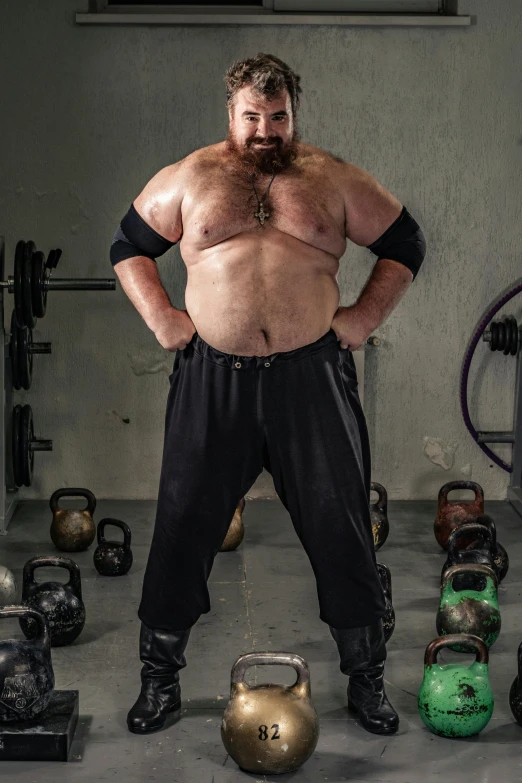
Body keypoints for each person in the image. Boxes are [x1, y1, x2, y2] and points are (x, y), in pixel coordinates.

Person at [110, 53, 426, 738]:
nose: (264, 130)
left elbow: (405, 242)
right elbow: (128, 246)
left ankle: (367, 680)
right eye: (252, 117)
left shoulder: (332, 178)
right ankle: (158, 681)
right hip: (211, 379)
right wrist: (165, 319)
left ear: (294, 113)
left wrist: (363, 319)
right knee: (182, 524)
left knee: (342, 527)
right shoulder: (191, 177)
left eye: (277, 117)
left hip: (309, 380)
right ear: (231, 113)